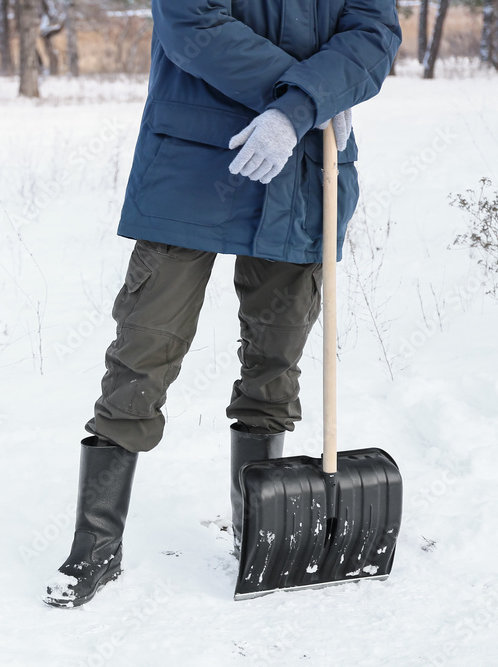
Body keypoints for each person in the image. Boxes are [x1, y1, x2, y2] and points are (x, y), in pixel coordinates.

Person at [42, 0, 401, 608]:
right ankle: (95, 543)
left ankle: (257, 527)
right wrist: (303, 99)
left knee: (275, 360)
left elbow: (373, 32)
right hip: (196, 160)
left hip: (305, 170)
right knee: (143, 351)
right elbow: (192, 25)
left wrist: (298, 112)